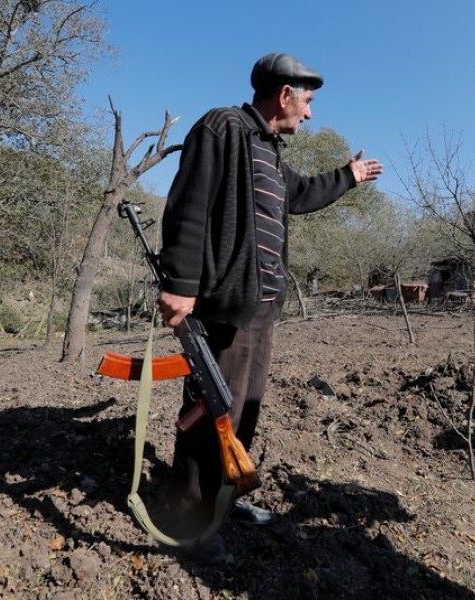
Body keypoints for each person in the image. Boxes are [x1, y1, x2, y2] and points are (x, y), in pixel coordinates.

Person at [155, 52, 382, 563]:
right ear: (284, 95)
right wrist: (181, 283)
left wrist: (349, 174)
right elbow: (188, 205)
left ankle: (222, 500)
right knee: (211, 409)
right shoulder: (224, 128)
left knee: (243, 410)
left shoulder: (270, 152)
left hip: (260, 309)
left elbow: (300, 194)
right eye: (307, 101)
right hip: (221, 303)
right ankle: (187, 517)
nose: (310, 113)